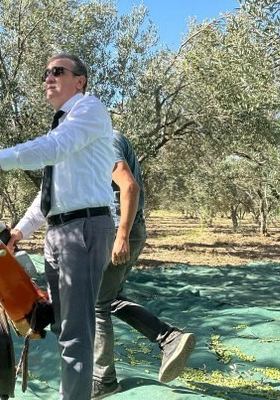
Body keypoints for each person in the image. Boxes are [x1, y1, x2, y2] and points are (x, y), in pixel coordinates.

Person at [0, 54, 115, 400]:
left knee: (75, 332)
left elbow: (54, 149)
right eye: (45, 72)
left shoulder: (89, 109)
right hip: (61, 231)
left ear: (80, 81)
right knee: (65, 327)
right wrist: (20, 231)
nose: (48, 77)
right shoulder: (63, 127)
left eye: (57, 71)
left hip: (84, 228)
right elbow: (50, 194)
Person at [91, 132, 195, 398]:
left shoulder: (104, 139)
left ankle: (103, 380)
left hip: (118, 231)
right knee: (110, 298)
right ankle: (169, 338)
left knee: (97, 305)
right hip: (122, 229)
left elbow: (129, 186)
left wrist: (121, 235)